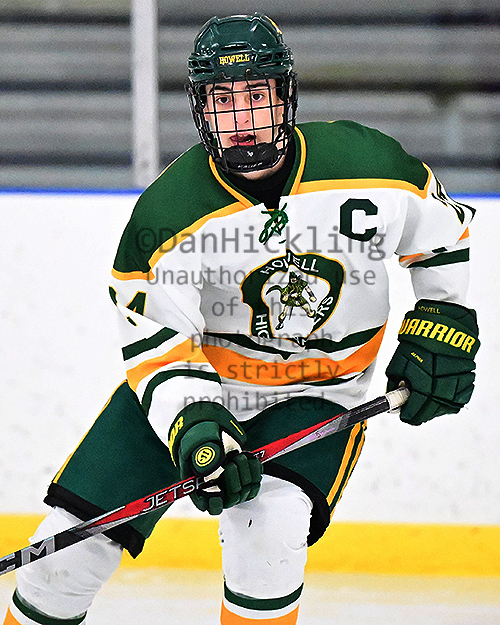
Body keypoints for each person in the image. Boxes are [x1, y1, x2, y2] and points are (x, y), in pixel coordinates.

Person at [4, 13, 479, 625]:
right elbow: (160, 345)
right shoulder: (168, 214)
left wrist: (442, 319)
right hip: (204, 384)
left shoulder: (368, 164)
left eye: (256, 94)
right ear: (201, 109)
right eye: (223, 100)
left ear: (285, 95)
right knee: (62, 560)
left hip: (320, 392)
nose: (242, 117)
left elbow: (440, 237)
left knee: (267, 537)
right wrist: (195, 426)